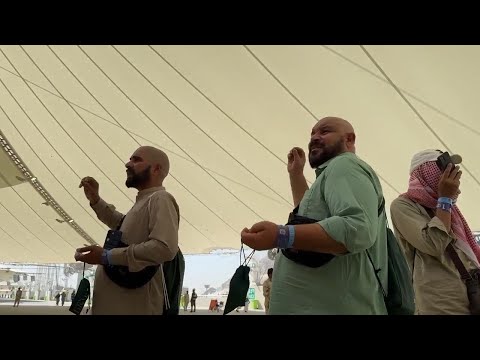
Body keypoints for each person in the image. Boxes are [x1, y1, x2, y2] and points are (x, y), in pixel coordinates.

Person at [241, 117, 388, 315]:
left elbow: (357, 229)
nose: (314, 137)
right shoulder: (333, 172)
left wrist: (280, 235)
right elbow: (311, 220)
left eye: (324, 132)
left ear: (349, 139)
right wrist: (296, 175)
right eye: (312, 134)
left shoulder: (345, 166)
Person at [75, 146, 181, 315]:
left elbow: (165, 248)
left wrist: (106, 256)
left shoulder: (161, 199)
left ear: (156, 169)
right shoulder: (145, 201)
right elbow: (121, 224)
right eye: (130, 159)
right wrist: (95, 199)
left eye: (136, 160)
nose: (127, 164)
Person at [390, 149, 480, 315]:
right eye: (443, 169)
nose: (449, 175)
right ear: (424, 172)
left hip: (471, 297)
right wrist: (444, 199)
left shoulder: (448, 210)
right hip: (441, 303)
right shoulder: (403, 205)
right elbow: (433, 244)